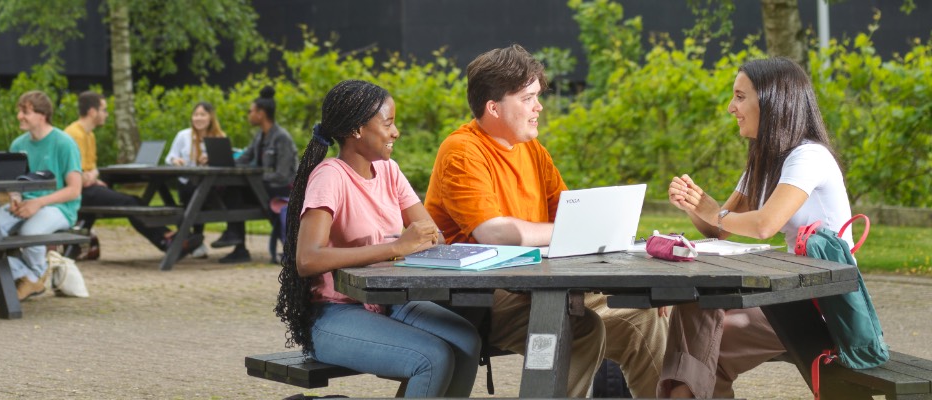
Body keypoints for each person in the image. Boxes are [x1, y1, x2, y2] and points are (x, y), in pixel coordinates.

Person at [423, 44, 668, 397]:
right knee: (580, 330)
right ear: (493, 107)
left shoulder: (531, 148)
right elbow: (494, 232)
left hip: (544, 285)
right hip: (486, 295)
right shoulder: (462, 151)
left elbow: (571, 216)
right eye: (528, 98)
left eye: (538, 96)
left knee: (647, 318)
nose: (539, 107)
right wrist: (572, 232)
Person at [658, 57, 854, 398]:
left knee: (702, 352)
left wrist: (714, 212)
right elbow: (719, 229)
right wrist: (695, 205)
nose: (731, 107)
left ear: (772, 101)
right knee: (694, 312)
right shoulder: (765, 160)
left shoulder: (808, 157)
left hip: (822, 303)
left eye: (739, 96)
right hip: (786, 294)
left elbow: (764, 225)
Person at [275, 80, 480, 397]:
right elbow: (307, 259)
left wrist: (418, 240)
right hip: (334, 313)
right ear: (357, 129)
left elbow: (431, 234)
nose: (396, 131)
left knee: (467, 341)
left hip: (389, 301)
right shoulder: (331, 177)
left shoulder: (389, 171)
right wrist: (396, 247)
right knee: (432, 358)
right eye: (388, 123)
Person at [64, 91, 203, 258]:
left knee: (135, 201)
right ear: (92, 112)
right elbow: (79, 176)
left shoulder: (89, 135)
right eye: (104, 110)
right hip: (76, 192)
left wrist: (92, 176)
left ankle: (166, 238)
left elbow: (91, 171)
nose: (106, 114)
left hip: (87, 189)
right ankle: (166, 240)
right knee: (130, 202)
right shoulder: (74, 134)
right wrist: (91, 176)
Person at [0, 91, 83, 300]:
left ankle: (33, 277)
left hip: (60, 207)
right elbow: (13, 183)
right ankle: (33, 275)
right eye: (19, 111)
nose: (19, 116)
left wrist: (38, 202)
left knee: (30, 232)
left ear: (42, 115)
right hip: (26, 204)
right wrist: (15, 199)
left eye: (25, 111)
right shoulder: (18, 145)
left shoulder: (64, 143)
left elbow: (74, 189)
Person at [211, 87, 297, 264]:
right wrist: (224, 162)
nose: (248, 115)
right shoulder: (259, 136)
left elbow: (282, 175)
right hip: (264, 185)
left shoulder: (282, 138)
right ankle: (238, 245)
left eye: (250, 111)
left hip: (282, 188)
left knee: (237, 189)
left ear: (261, 113)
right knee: (232, 188)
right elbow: (244, 158)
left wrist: (254, 180)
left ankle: (235, 237)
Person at [163, 101, 228, 258]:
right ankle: (193, 240)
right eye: (196, 114)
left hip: (211, 185)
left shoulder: (219, 137)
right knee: (189, 191)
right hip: (186, 182)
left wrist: (211, 158)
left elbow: (225, 162)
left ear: (210, 117)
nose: (198, 118)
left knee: (200, 193)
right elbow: (170, 157)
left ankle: (193, 240)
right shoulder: (183, 135)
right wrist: (175, 161)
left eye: (202, 114)